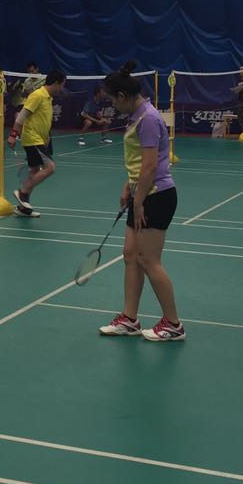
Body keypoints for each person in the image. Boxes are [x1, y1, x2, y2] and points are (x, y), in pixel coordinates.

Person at [95, 67, 185, 342]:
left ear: (123, 96)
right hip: (143, 192)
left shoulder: (148, 119)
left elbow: (150, 167)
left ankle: (173, 324)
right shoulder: (137, 115)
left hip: (156, 196)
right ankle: (129, 319)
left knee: (149, 260)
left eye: (112, 99)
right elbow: (139, 164)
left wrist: (138, 202)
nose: (112, 104)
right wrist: (128, 186)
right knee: (130, 255)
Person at [8, 69, 67, 217]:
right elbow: (22, 116)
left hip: (40, 139)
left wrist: (46, 138)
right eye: (62, 85)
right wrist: (13, 135)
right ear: (56, 83)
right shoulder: (38, 95)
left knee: (34, 170)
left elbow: (43, 120)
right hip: (32, 138)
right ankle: (22, 192)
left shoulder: (48, 98)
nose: (62, 88)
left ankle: (22, 208)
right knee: (50, 167)